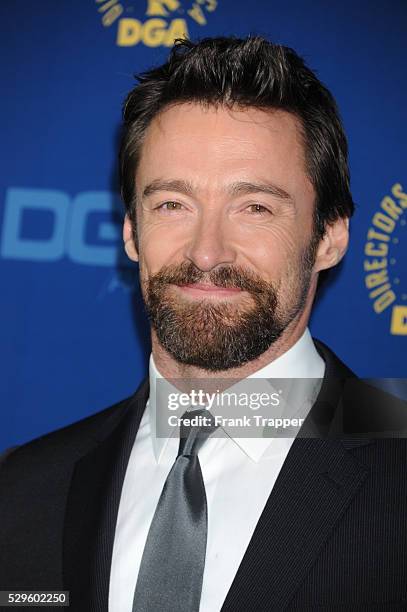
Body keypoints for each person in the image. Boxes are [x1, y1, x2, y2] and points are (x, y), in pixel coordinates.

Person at [0, 36, 406, 612]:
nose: (207, 251)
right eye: (172, 204)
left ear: (330, 238)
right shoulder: (26, 486)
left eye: (255, 208)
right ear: (131, 232)